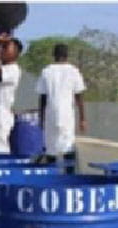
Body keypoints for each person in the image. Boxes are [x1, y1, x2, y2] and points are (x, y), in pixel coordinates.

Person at [36, 43, 87, 173]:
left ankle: (51, 176)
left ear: (54, 55)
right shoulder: (74, 71)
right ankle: (69, 177)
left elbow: (43, 98)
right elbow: (79, 97)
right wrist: (82, 119)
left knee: (51, 149)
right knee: (68, 148)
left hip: (50, 115)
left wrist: (41, 118)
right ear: (67, 55)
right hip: (66, 116)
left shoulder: (46, 71)